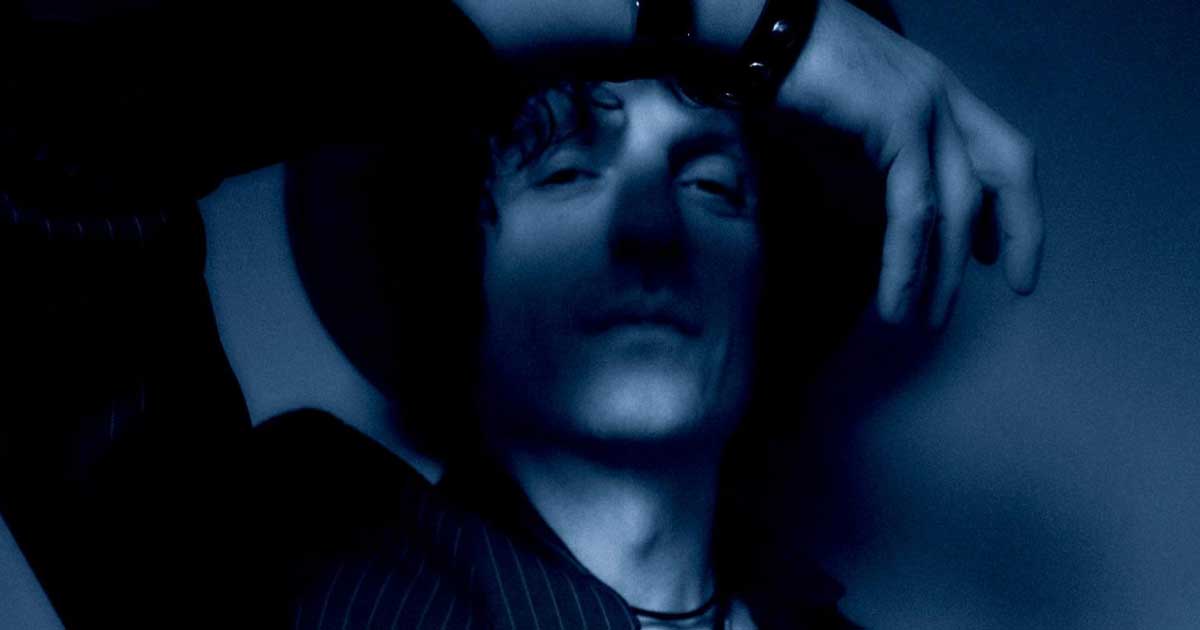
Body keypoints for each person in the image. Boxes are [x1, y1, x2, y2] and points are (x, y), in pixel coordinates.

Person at [0, 0, 1042, 628]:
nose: (650, 229)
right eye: (564, 174)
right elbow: (37, 132)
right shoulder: (274, 575)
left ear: (771, 284)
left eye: (712, 185)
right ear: (460, 264)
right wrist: (722, 15)